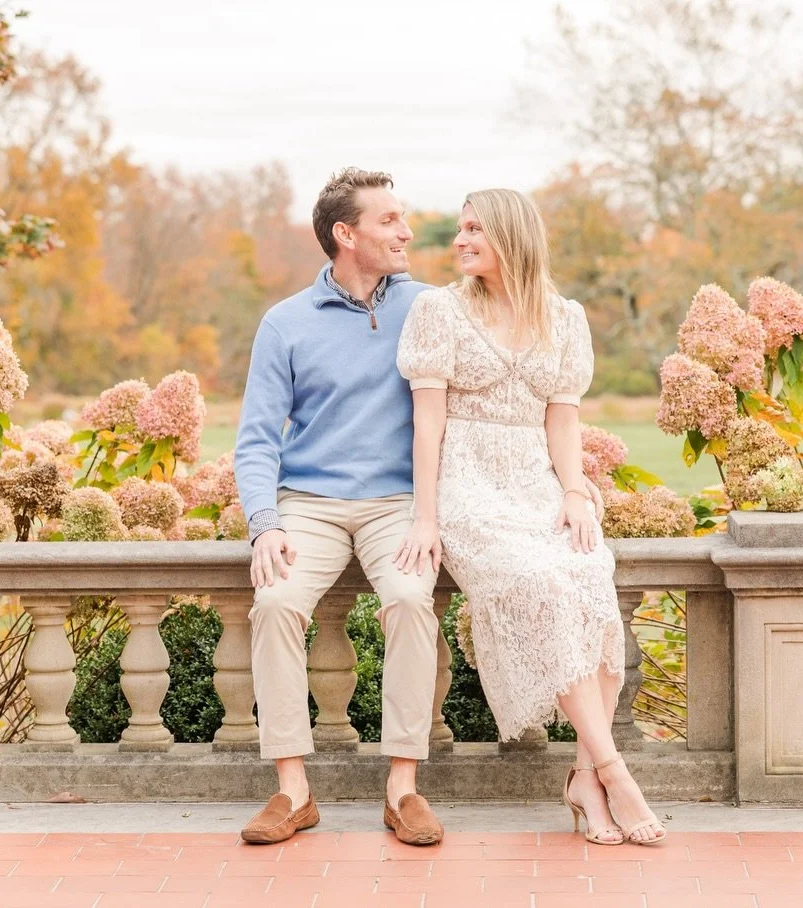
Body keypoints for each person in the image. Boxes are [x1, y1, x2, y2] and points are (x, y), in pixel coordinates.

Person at [233, 168, 605, 846]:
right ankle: (292, 791)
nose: (408, 231)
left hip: (399, 504)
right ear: (346, 235)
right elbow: (257, 439)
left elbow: (513, 357)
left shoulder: (434, 307)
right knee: (276, 604)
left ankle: (402, 788)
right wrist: (265, 524)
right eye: (389, 222)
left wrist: (557, 484)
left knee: (410, 600)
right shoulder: (284, 324)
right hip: (309, 504)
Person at [395, 188, 667, 846]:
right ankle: (613, 771)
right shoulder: (439, 311)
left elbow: (563, 421)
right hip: (469, 484)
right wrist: (426, 517)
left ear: (512, 239)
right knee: (543, 583)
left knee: (589, 577)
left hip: (535, 481)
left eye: (475, 231)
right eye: (460, 229)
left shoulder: (565, 317)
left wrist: (575, 492)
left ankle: (583, 779)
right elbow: (425, 426)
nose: (460, 241)